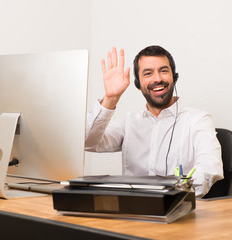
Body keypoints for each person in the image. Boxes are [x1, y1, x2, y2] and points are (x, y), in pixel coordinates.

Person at [85, 45, 223, 197]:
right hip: (133, 212)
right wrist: (111, 98)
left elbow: (210, 169)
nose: (157, 79)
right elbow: (87, 142)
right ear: (138, 84)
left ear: (174, 78)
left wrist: (170, 196)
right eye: (148, 73)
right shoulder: (128, 123)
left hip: (176, 209)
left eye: (163, 71)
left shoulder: (198, 120)